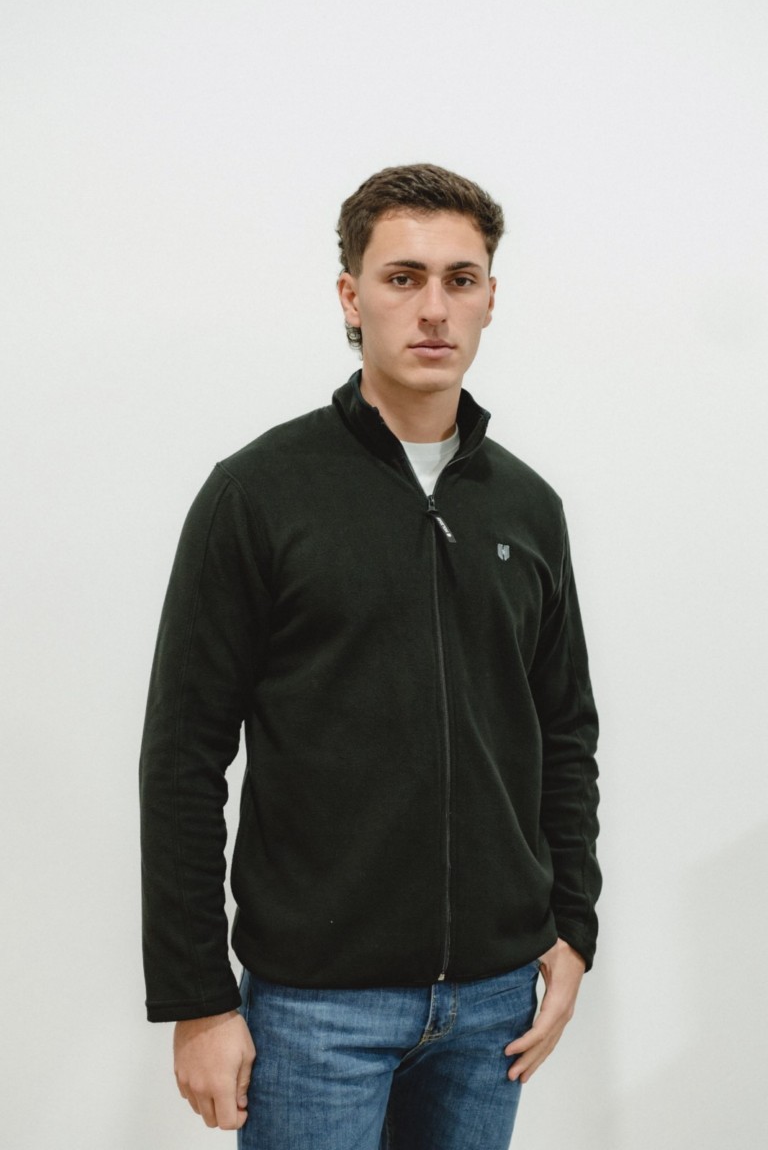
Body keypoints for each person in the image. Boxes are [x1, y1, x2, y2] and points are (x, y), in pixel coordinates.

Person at [139, 163, 601, 1150]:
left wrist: (574, 927)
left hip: (494, 1005)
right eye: (403, 278)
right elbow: (182, 755)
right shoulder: (259, 495)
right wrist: (197, 997)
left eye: (460, 279)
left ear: (489, 298)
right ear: (352, 297)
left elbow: (565, 732)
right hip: (317, 1011)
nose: (434, 308)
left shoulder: (528, 508)